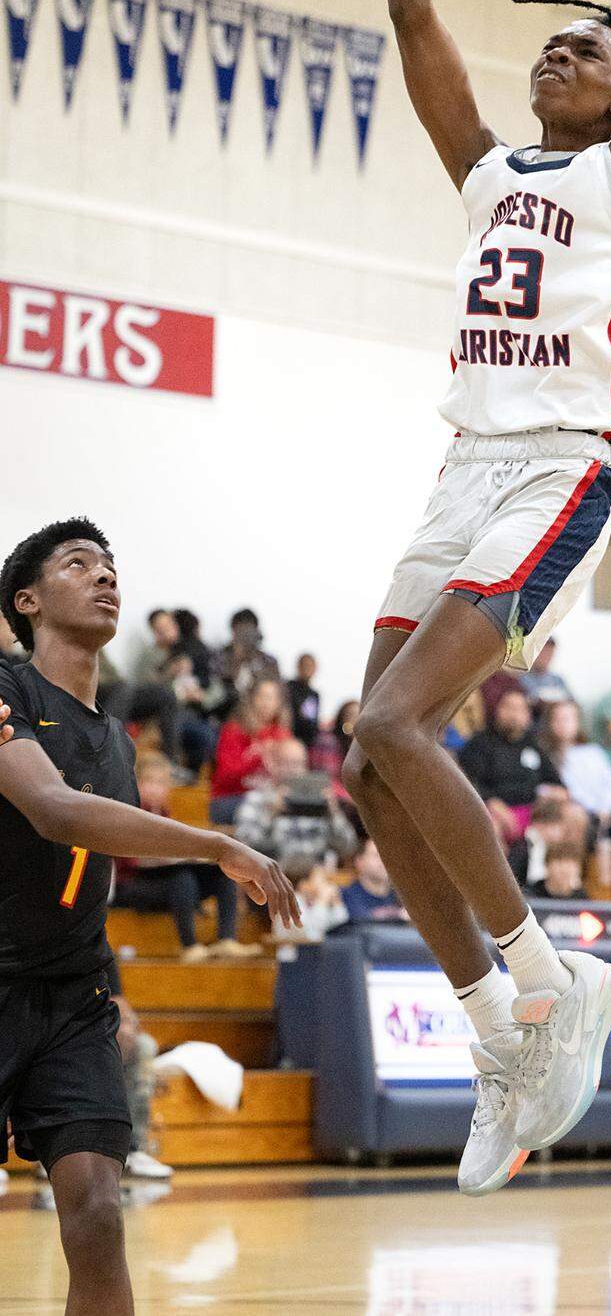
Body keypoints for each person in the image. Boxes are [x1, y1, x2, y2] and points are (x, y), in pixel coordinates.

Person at [341, 0, 611, 1198]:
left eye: (588, 51)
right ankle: (502, 1032)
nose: (566, 49)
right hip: (461, 465)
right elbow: (413, 8)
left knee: (391, 719)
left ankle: (550, 979)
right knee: (365, 768)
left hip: (560, 466)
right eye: (557, 40)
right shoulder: (494, 172)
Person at [0, 518, 299, 1316]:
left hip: (71, 997)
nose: (104, 575)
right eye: (77, 563)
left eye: (109, 565)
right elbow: (55, 811)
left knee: (98, 1212)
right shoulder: (6, 691)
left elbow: (89, 882)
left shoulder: (120, 742)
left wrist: (110, 982)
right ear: (26, 600)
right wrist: (215, 844)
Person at [115, 754, 256, 963]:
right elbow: (129, 859)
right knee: (182, 879)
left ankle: (226, 939)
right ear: (136, 783)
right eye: (149, 781)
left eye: (161, 782)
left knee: (223, 873)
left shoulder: (164, 814)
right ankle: (189, 945)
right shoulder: (127, 813)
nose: (155, 788)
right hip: (133, 884)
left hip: (167, 878)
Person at [457, 685, 579, 845]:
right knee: (489, 826)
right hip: (493, 810)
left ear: (528, 716)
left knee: (576, 815)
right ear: (497, 710)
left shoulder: (533, 744)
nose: (513, 714)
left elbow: (558, 785)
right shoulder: (480, 742)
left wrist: (555, 793)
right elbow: (468, 783)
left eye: (520, 709)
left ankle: (564, 869)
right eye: (508, 707)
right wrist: (491, 802)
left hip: (533, 812)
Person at [233, 737, 358, 879]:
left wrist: (334, 814)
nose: (294, 771)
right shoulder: (256, 799)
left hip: (317, 880)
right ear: (272, 764)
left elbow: (348, 847)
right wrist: (270, 814)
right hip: (273, 879)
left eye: (299, 764)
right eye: (287, 763)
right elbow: (244, 847)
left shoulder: (320, 800)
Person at [210, 678, 292, 824]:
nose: (265, 703)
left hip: (270, 799)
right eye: (261, 696)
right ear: (252, 699)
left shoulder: (283, 735)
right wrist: (255, 758)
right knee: (266, 805)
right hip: (230, 799)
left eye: (271, 698)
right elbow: (224, 776)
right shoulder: (233, 731)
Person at [112, 997, 171, 1182]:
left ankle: (134, 1149)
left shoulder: (106, 967)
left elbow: (117, 999)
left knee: (144, 1045)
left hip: (105, 1020)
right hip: (65, 1027)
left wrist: (123, 1022)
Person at [538, 698, 611, 826]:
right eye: (557, 718)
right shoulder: (543, 755)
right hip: (568, 816)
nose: (562, 723)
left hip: (603, 814)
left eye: (567, 718)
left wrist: (606, 810)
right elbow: (546, 789)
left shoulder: (594, 752)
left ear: (578, 722)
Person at [216, 609, 279, 718]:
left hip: (260, 716)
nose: (245, 636)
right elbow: (217, 690)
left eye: (248, 632)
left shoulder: (268, 661)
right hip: (226, 714)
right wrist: (238, 658)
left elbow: (273, 691)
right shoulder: (221, 656)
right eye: (241, 632)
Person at [340, 841, 407, 924]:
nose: (385, 861)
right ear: (359, 862)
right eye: (377, 855)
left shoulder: (404, 897)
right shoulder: (344, 896)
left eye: (389, 856)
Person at [518, 637, 571, 710]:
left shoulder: (558, 680)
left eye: (549, 652)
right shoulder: (522, 678)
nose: (546, 656)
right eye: (543, 652)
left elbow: (570, 702)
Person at [132, 609, 179, 687]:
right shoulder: (149, 656)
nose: (170, 630)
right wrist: (170, 673)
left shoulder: (184, 649)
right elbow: (146, 684)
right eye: (164, 628)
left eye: (171, 624)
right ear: (155, 632)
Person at [286, 654, 321, 748]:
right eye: (305, 665)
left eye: (310, 666)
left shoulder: (314, 695)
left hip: (308, 744)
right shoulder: (288, 688)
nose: (307, 669)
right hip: (290, 739)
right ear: (298, 667)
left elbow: (314, 722)